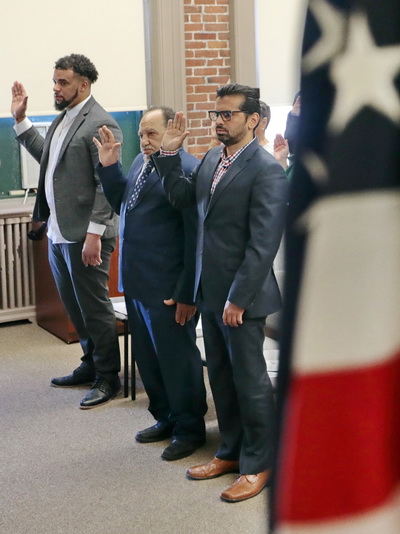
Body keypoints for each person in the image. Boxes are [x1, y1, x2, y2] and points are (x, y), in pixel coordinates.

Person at [153, 84, 289, 503]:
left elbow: (263, 243)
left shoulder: (266, 169)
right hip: (209, 292)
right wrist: (170, 157)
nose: (219, 121)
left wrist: (239, 299)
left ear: (253, 121)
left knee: (250, 384)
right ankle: (230, 451)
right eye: (217, 113)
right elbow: (180, 199)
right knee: (223, 379)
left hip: (240, 299)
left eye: (228, 114)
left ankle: (259, 463)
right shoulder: (213, 157)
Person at [94, 106, 207, 461]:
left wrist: (188, 293)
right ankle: (166, 418)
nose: (144, 141)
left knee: (177, 360)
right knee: (149, 359)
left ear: (172, 131)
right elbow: (124, 205)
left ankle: (190, 428)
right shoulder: (141, 164)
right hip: (139, 283)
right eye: (141, 134)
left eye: (152, 134)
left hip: (170, 290)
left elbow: (196, 239)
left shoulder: (187, 170)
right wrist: (110, 167)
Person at [11, 54, 122, 409]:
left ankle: (108, 376)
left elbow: (106, 185)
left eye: (63, 82)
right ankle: (90, 364)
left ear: (84, 84)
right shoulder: (64, 118)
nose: (56, 88)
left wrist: (93, 234)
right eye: (55, 81)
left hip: (86, 236)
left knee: (94, 308)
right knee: (75, 306)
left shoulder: (101, 123)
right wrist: (21, 121)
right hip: (59, 232)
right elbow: (49, 160)